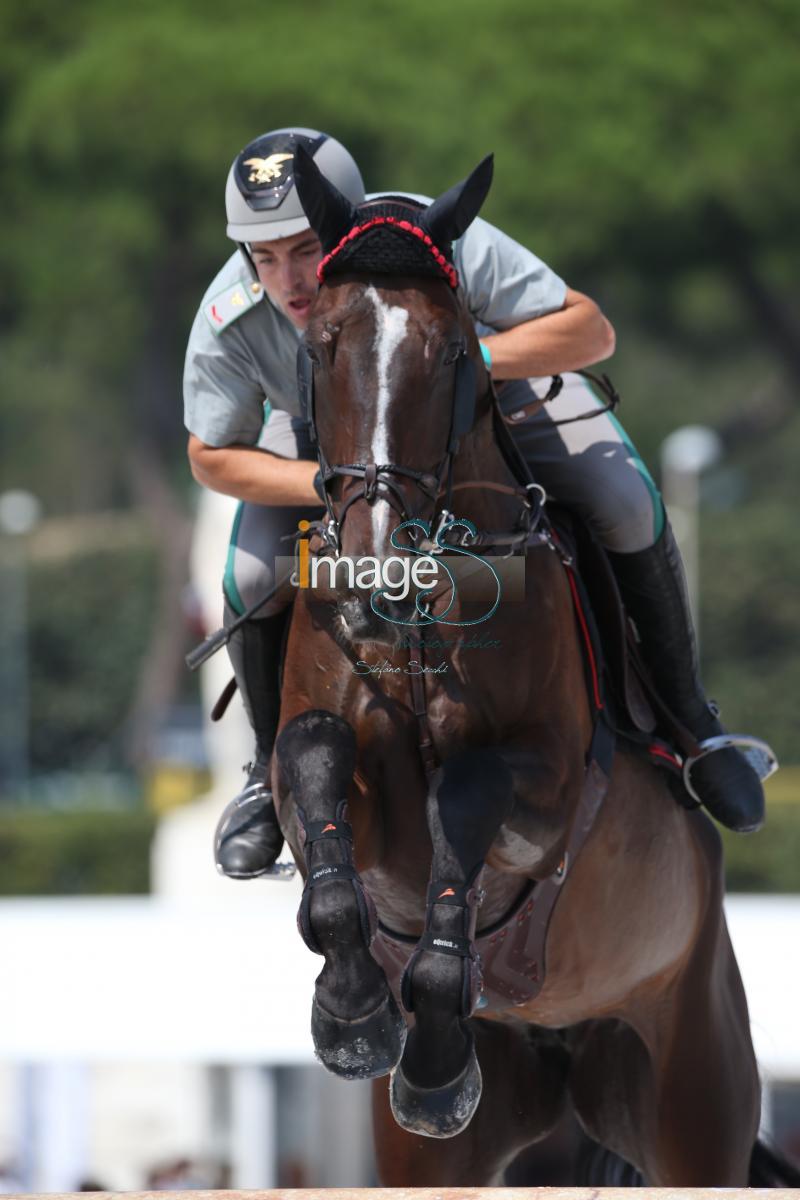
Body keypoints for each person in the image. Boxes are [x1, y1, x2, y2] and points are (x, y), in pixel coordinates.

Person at [183, 126, 766, 880]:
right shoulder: (230, 311)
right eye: (264, 258)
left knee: (623, 499)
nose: (288, 281)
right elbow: (208, 455)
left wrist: (453, 359)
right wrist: (336, 485)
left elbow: (591, 328)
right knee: (255, 576)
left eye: (302, 250)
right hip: (336, 443)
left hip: (498, 397)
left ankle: (693, 725)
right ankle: (267, 775)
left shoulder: (444, 238)